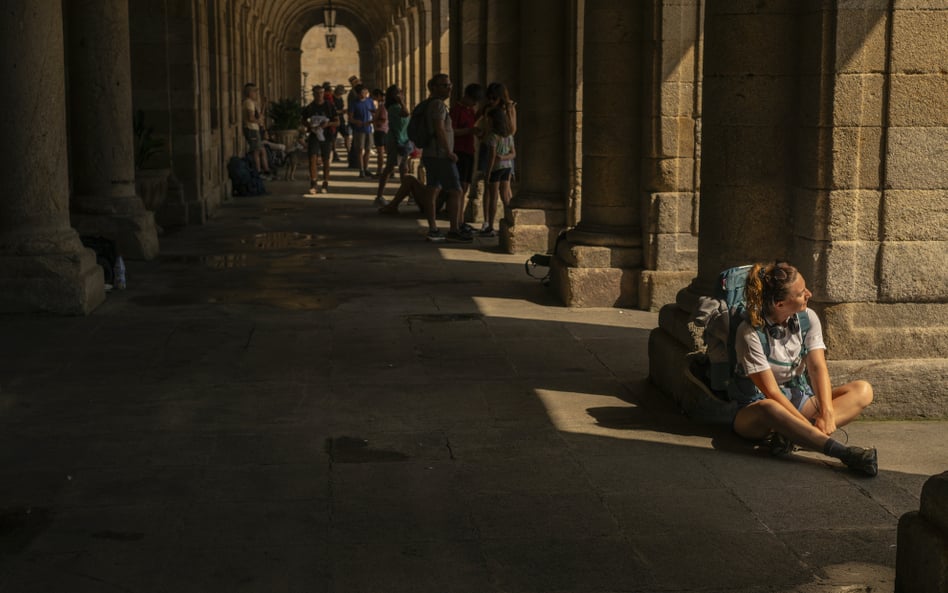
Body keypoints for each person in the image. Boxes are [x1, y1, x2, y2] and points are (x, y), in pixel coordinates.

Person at [729, 261, 877, 476]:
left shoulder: (808, 318)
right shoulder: (749, 332)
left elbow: (817, 367)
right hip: (757, 411)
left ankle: (792, 438)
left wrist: (826, 412)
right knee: (770, 407)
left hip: (799, 398)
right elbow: (771, 392)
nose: (808, 293)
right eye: (800, 293)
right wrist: (808, 427)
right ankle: (842, 452)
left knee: (863, 390)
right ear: (780, 304)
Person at [420, 73, 470, 243]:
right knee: (456, 191)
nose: (449, 88)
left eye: (449, 85)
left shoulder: (429, 105)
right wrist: (449, 151)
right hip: (440, 155)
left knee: (433, 189)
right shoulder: (438, 106)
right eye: (444, 85)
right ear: (433, 87)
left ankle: (433, 228)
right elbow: (440, 129)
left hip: (430, 154)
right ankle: (454, 230)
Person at [450, 83, 483, 233]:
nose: (475, 103)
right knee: (459, 188)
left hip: (469, 151)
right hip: (459, 151)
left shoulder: (470, 111)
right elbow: (451, 132)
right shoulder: (456, 110)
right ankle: (457, 222)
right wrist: (469, 130)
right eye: (474, 100)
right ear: (467, 96)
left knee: (465, 187)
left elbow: (475, 119)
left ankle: (460, 220)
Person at [481, 108, 516, 237]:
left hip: (496, 169)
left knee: (493, 197)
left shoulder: (492, 137)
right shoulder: (509, 136)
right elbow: (513, 153)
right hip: (507, 168)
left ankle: (490, 226)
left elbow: (491, 157)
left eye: (489, 120)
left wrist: (488, 173)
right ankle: (510, 222)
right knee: (506, 197)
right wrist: (504, 158)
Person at [374, 85, 411, 205]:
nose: (402, 93)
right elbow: (406, 113)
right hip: (396, 141)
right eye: (399, 92)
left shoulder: (397, 106)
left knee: (403, 169)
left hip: (403, 141)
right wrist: (402, 101)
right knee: (389, 168)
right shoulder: (394, 107)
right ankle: (379, 196)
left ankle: (408, 195)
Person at [301, 84, 338, 195]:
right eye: (317, 93)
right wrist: (309, 125)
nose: (319, 95)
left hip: (326, 135)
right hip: (314, 135)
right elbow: (303, 120)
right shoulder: (310, 107)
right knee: (312, 157)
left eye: (321, 93)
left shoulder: (329, 106)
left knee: (325, 159)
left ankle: (325, 182)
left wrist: (328, 124)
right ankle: (313, 183)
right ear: (313, 94)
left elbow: (337, 122)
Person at [242, 82, 273, 179]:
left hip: (254, 129)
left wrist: (263, 105)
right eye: (255, 91)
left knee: (262, 150)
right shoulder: (248, 102)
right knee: (256, 151)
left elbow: (259, 116)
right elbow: (251, 118)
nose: (256, 94)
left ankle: (266, 170)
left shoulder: (252, 103)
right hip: (251, 129)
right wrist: (258, 121)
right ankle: (258, 172)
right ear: (249, 92)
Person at [348, 84, 375, 178]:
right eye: (363, 92)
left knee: (368, 149)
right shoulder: (354, 103)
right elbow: (350, 118)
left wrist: (373, 121)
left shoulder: (370, 101)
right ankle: (361, 169)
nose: (365, 94)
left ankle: (366, 167)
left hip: (369, 128)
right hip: (359, 129)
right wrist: (356, 121)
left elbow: (374, 113)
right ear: (358, 94)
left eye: (366, 92)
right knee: (360, 150)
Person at [371, 88, 389, 187]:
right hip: (385, 131)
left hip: (380, 131)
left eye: (374, 96)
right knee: (385, 152)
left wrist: (374, 121)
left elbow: (382, 119)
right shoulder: (384, 106)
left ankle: (380, 172)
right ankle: (387, 171)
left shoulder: (382, 107)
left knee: (380, 153)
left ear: (378, 96)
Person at [332, 84, 348, 162]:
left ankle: (349, 152)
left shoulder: (340, 98)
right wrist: (342, 111)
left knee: (346, 135)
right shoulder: (332, 99)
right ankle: (334, 153)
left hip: (341, 120)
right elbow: (333, 111)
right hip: (335, 120)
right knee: (333, 138)